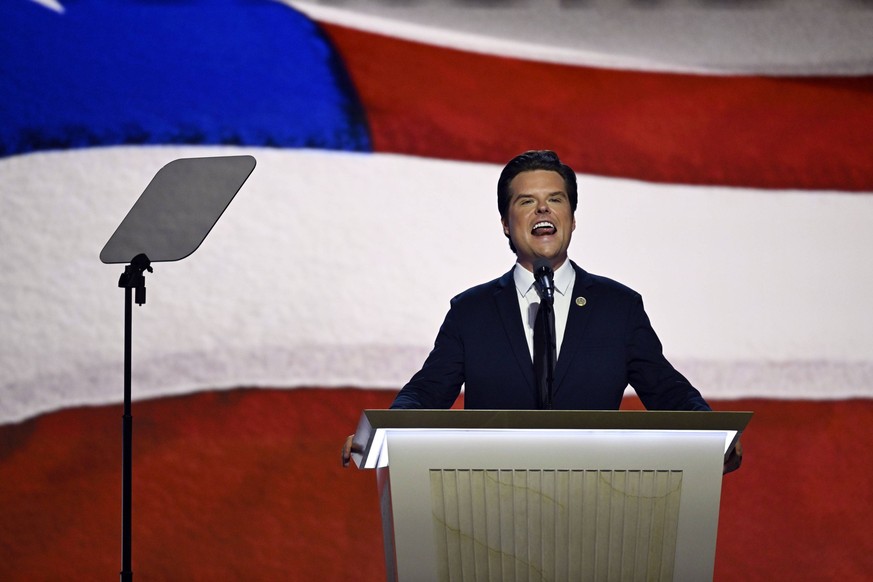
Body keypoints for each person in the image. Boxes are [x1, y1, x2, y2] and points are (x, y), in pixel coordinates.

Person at [342, 150, 741, 471]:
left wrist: (711, 434)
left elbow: (666, 389)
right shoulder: (472, 312)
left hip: (596, 498)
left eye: (555, 200)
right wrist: (385, 432)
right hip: (493, 500)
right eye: (527, 202)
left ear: (571, 217)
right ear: (505, 223)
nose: (543, 211)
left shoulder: (618, 308)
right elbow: (428, 391)